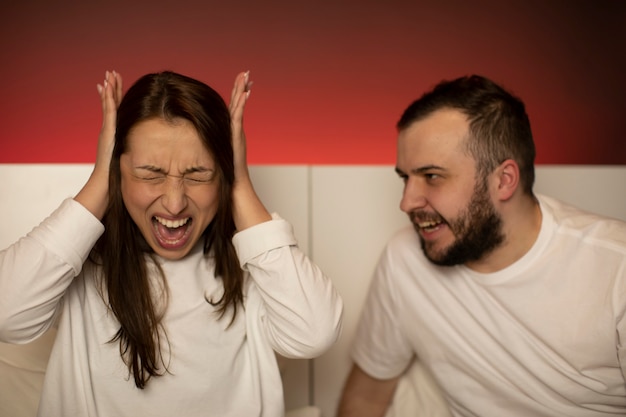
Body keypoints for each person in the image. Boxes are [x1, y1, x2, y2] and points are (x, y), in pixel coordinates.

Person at [0, 70, 343, 417]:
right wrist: (101, 178)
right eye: (151, 174)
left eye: (198, 175)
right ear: (118, 172)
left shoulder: (253, 272)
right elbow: (6, 313)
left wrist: (239, 182)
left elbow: (314, 333)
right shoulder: (81, 269)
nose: (175, 203)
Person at [337, 75, 626, 416]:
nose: (406, 202)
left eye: (432, 176)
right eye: (405, 178)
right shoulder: (405, 260)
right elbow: (368, 397)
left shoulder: (615, 269)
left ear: (503, 180)